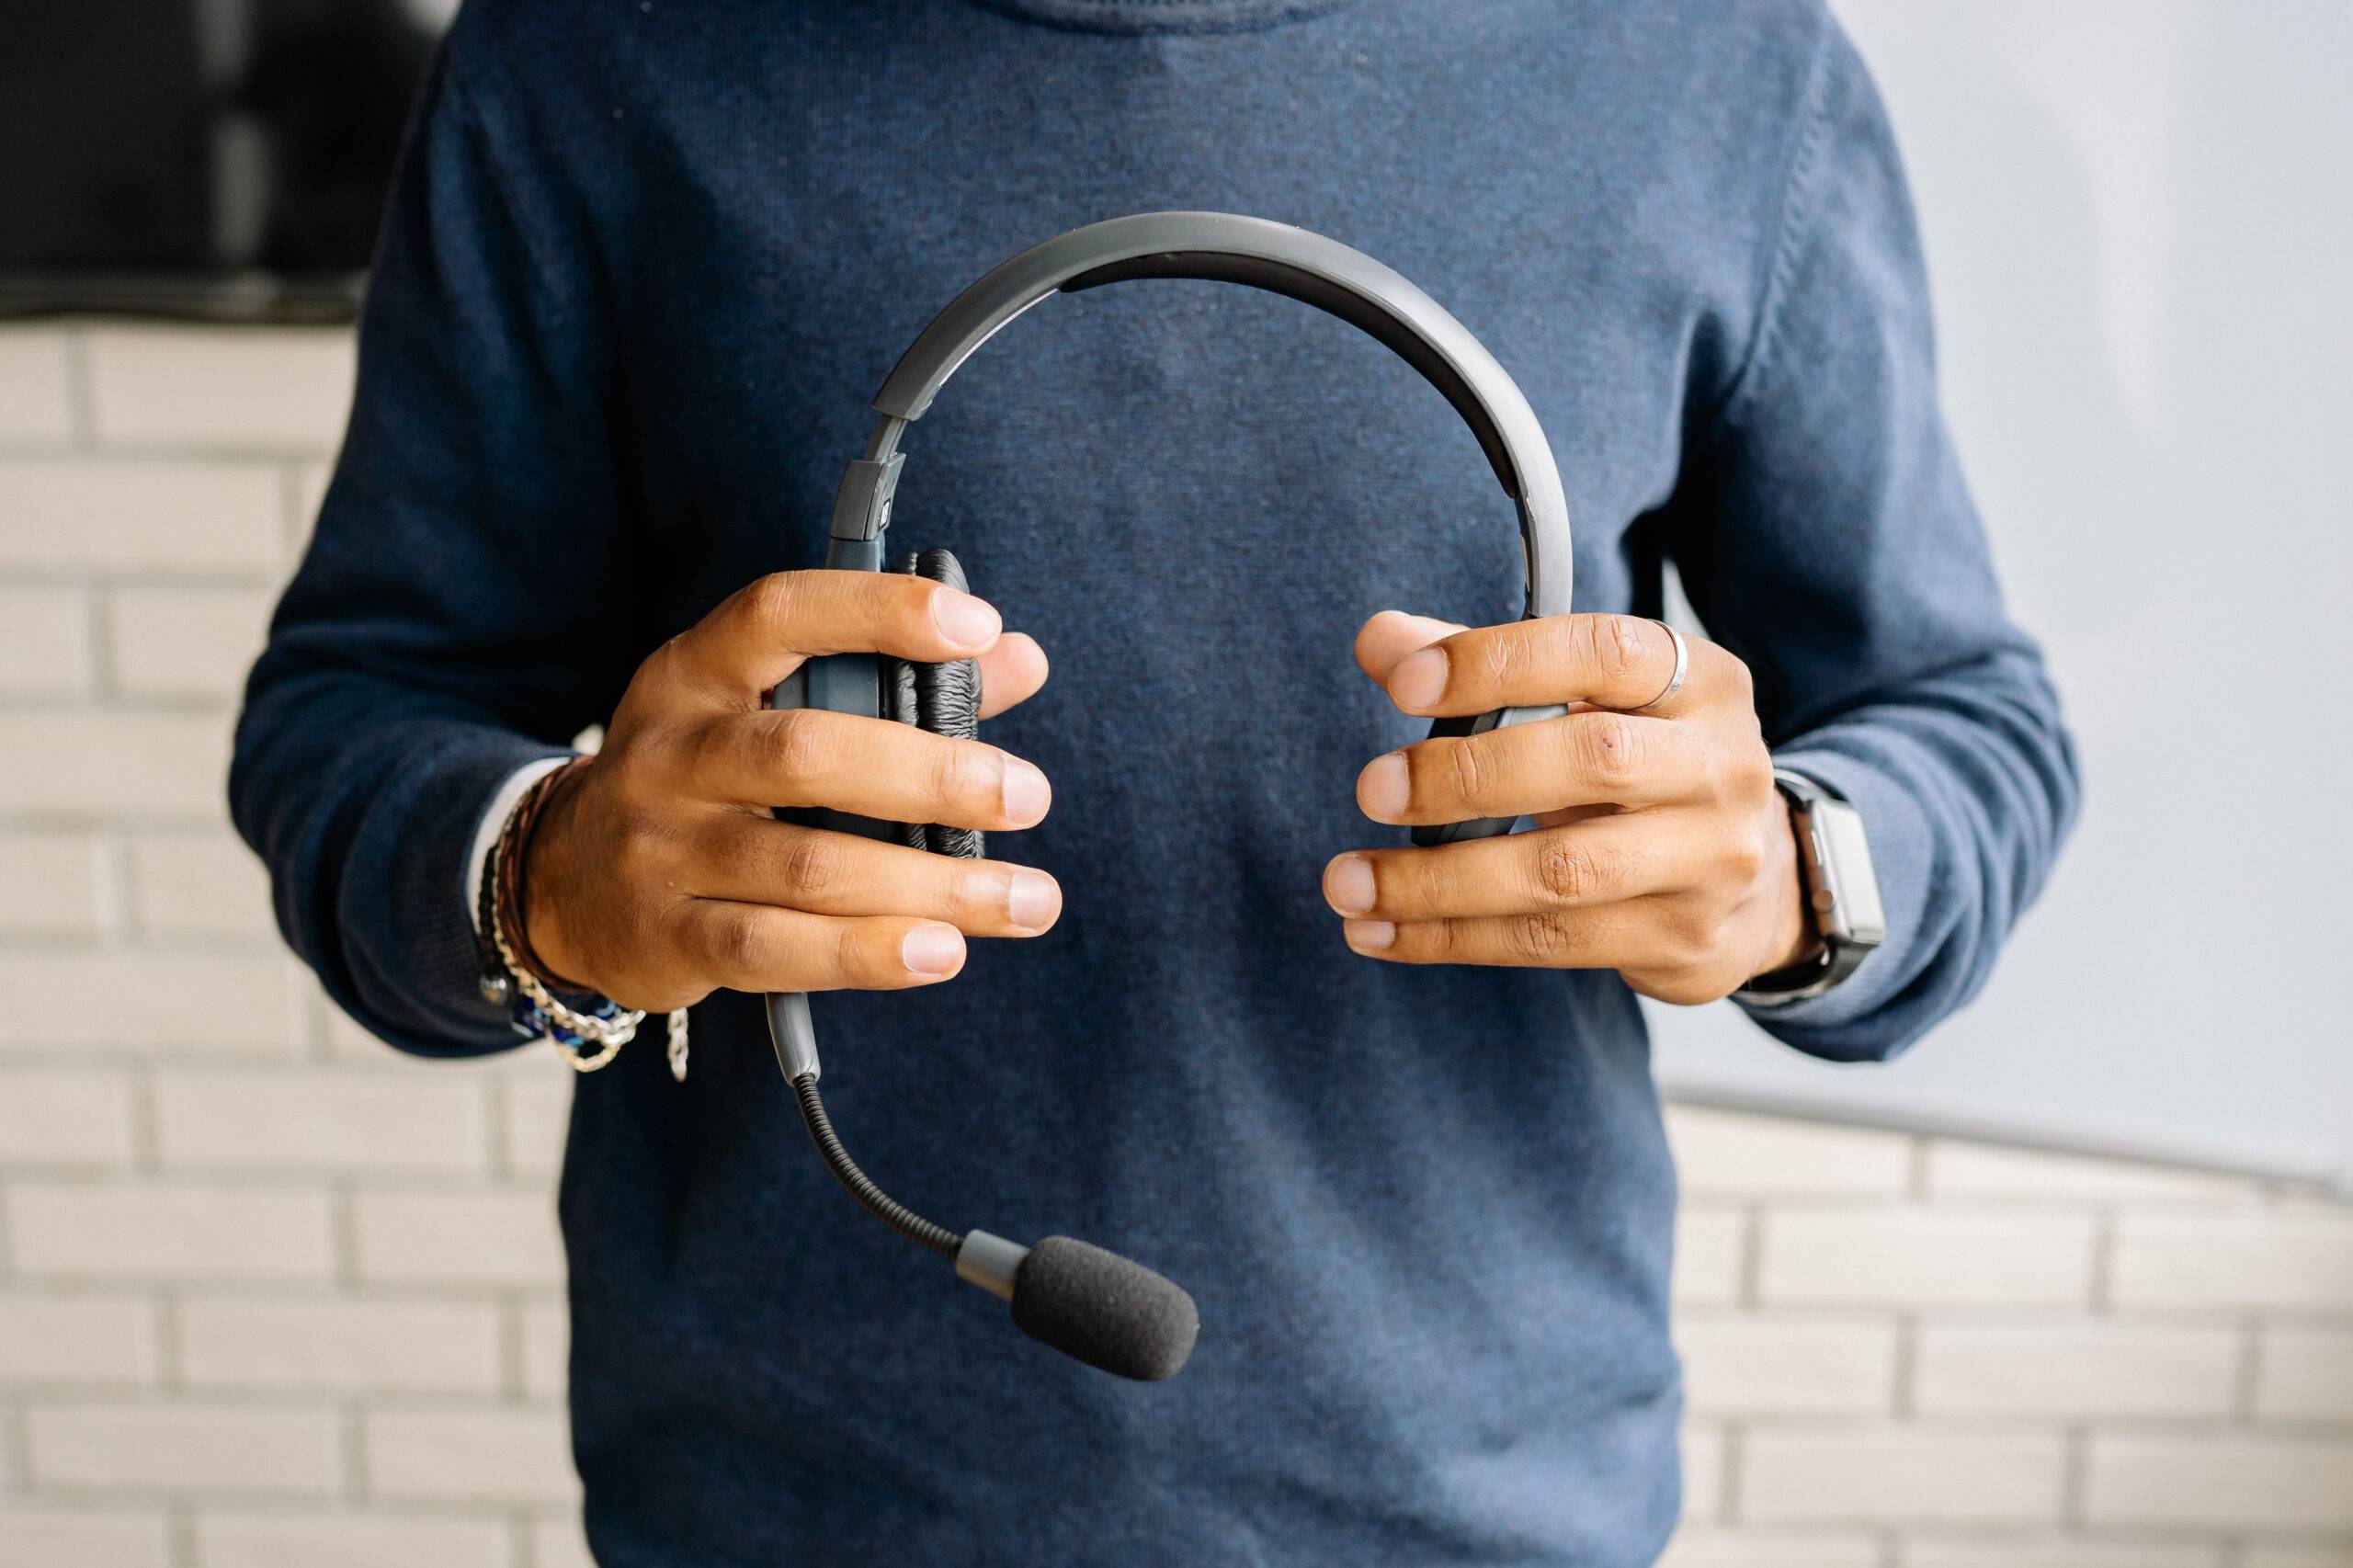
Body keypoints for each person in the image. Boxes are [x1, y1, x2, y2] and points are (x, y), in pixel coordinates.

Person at [231, 1, 2078, 1562]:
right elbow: (358, 711)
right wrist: (542, 878)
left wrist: (1784, 876)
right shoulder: (586, 53)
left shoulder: (1712, 59)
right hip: (787, 1506)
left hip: (1482, 1513)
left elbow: (1960, 720)